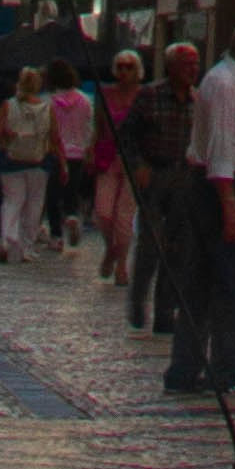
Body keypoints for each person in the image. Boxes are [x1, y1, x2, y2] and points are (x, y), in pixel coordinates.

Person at [182, 17, 235, 394]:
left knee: (203, 281)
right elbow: (221, 147)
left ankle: (188, 368)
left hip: (225, 184)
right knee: (230, 284)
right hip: (222, 187)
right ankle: (225, 369)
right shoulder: (227, 84)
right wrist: (230, 204)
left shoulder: (234, 83)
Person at [126, 41, 199, 346]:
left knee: (179, 249)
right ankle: (138, 298)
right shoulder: (150, 96)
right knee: (151, 244)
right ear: (171, 67)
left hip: (185, 176)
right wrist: (139, 165)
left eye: (196, 64)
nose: (193, 70)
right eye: (187, 64)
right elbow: (128, 135)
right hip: (154, 175)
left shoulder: (198, 100)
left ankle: (165, 312)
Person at [92, 49, 144, 290]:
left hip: (134, 159)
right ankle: (111, 249)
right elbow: (98, 125)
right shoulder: (105, 94)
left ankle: (121, 264)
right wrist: (90, 149)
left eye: (129, 66)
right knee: (103, 213)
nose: (124, 71)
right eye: (120, 66)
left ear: (137, 70)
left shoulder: (144, 96)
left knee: (124, 217)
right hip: (108, 156)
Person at [0, 67, 54, 261]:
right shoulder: (46, 108)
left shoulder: (8, 105)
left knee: (12, 201)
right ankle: (27, 246)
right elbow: (54, 137)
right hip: (38, 162)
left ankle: (7, 238)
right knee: (34, 204)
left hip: (12, 160)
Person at [44, 64, 96, 252]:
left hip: (56, 153)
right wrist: (88, 147)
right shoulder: (84, 99)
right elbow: (90, 127)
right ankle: (72, 216)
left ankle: (56, 236)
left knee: (52, 195)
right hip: (78, 153)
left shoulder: (50, 102)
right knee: (71, 191)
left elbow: (48, 130)